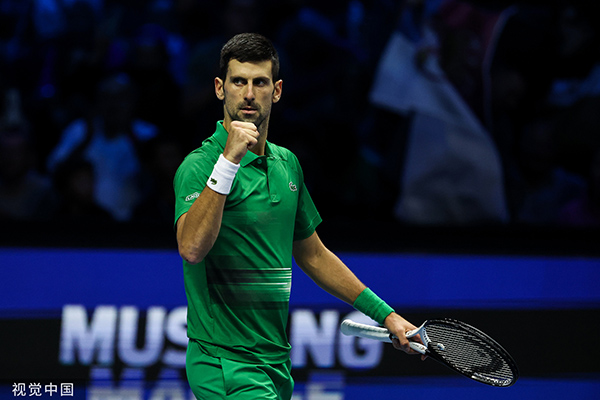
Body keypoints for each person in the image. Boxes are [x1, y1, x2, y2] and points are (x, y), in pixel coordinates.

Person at [173, 33, 420, 400]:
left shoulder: (287, 164)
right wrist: (228, 161)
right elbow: (192, 249)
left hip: (275, 364)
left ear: (276, 91)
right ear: (220, 89)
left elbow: (314, 255)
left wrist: (387, 315)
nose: (249, 93)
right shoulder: (200, 166)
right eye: (238, 82)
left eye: (260, 83)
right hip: (224, 364)